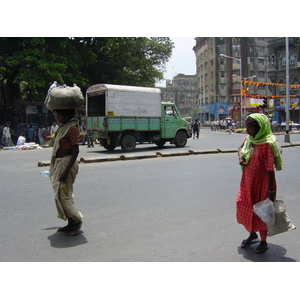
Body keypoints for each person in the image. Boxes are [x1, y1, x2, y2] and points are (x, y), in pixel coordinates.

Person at [236, 113, 283, 253]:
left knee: (262, 211)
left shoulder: (267, 145)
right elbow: (239, 148)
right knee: (245, 206)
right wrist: (240, 158)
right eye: (246, 127)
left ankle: (263, 241)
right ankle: (252, 234)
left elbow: (270, 169)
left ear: (260, 128)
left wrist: (270, 191)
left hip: (262, 184)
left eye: (249, 127)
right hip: (247, 181)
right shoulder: (250, 139)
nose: (246, 130)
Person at [49, 109, 83, 236]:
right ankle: (70, 223)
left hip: (67, 164)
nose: (57, 117)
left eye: (59, 115)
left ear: (66, 116)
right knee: (61, 194)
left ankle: (77, 220)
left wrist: (66, 171)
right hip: (59, 163)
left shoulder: (72, 129)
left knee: (64, 195)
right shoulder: (62, 128)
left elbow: (75, 151)